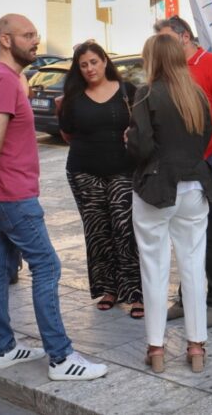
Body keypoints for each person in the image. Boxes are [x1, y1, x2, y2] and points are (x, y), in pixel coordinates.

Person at [0, 15, 108, 381]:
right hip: (11, 194)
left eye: (35, 34)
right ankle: (60, 357)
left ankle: (4, 348)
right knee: (48, 266)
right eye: (27, 36)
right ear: (6, 40)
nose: (35, 41)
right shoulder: (5, 81)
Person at [127, 34, 212, 374]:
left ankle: (157, 348)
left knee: (154, 267)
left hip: (156, 187)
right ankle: (196, 347)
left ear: (152, 59)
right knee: (193, 266)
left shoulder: (146, 93)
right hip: (194, 186)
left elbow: (141, 147)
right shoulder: (197, 95)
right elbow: (205, 140)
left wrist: (129, 138)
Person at [154, 16, 212, 327]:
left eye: (167, 40)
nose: (163, 49)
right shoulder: (170, 72)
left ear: (185, 37)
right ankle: (185, 297)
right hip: (178, 170)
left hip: (210, 164)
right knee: (184, 236)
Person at [58, 41, 142, 317]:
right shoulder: (73, 97)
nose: (90, 68)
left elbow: (140, 127)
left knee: (125, 228)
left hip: (123, 169)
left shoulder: (127, 91)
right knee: (97, 232)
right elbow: (67, 134)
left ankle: (136, 293)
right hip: (84, 170)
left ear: (105, 61)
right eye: (83, 65)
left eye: (94, 62)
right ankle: (108, 289)